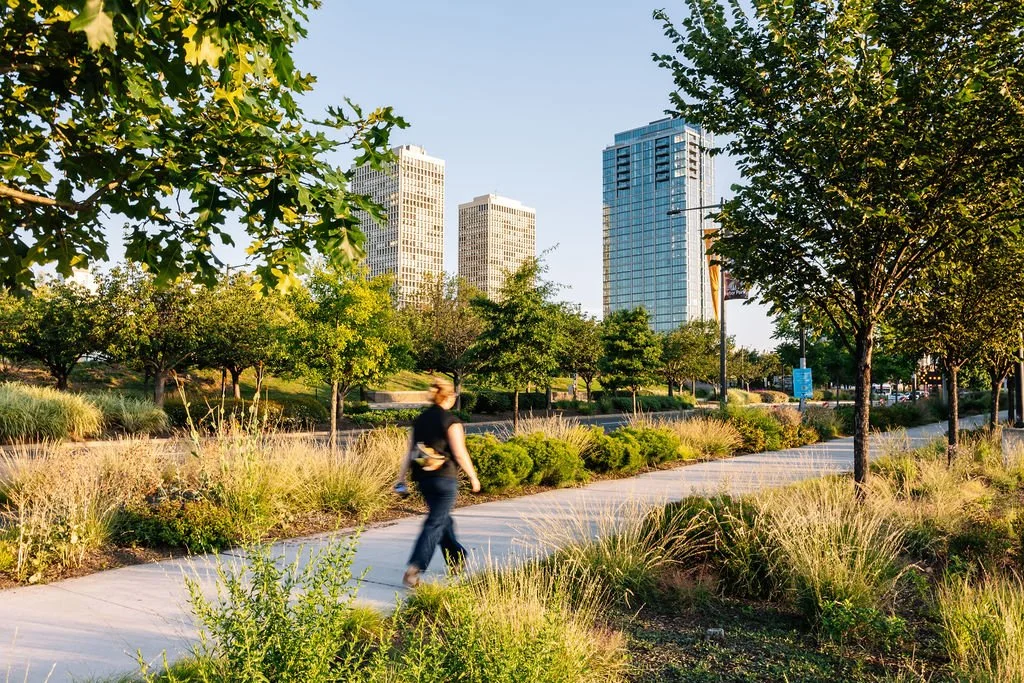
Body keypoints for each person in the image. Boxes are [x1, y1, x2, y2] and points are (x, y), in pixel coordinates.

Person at [395, 377, 481, 588]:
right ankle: (415, 568)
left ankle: (457, 557)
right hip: (445, 480)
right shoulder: (451, 421)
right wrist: (473, 476)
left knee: (443, 519)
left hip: (423, 479)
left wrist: (401, 479)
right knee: (435, 522)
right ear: (448, 397)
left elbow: (410, 453)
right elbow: (460, 453)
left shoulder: (420, 420)